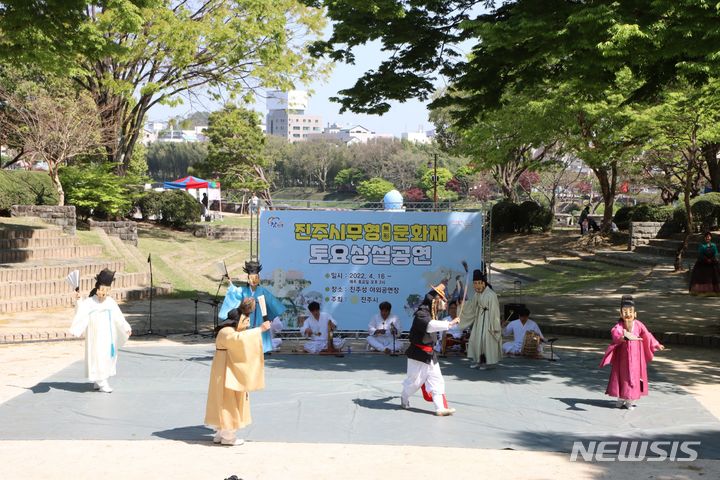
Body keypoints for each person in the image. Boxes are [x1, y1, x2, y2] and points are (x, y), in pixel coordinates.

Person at [205, 298, 272, 445]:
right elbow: (240, 339)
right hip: (226, 368)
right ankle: (228, 436)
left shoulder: (227, 331)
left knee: (221, 398)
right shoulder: (227, 332)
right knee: (228, 399)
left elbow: (241, 338)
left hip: (225, 366)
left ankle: (221, 432)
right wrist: (260, 329)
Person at [69, 269, 132, 393]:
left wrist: (126, 327)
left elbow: (118, 317)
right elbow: (81, 312)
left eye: (107, 290)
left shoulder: (110, 302)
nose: (104, 293)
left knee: (107, 356)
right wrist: (78, 300)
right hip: (95, 335)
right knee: (98, 356)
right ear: (98, 289)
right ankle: (102, 381)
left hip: (108, 334)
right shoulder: (90, 302)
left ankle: (99, 380)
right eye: (103, 289)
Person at [401, 283, 458, 416]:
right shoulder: (421, 314)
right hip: (418, 354)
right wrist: (449, 324)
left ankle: (440, 408)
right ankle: (404, 398)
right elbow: (430, 326)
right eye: (441, 300)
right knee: (414, 383)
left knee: (437, 380)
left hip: (430, 354)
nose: (443, 304)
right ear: (433, 302)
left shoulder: (431, 314)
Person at [600, 295, 664, 410]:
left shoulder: (639, 325)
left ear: (635, 314)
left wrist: (656, 344)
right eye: (625, 312)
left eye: (630, 311)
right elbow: (615, 333)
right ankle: (620, 398)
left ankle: (630, 400)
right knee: (622, 376)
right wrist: (621, 338)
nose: (628, 314)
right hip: (622, 358)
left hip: (636, 358)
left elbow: (647, 335)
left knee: (634, 377)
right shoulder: (619, 326)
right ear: (620, 314)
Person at [218, 260, 286, 354]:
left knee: (260, 331)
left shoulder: (262, 290)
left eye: (256, 277)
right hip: (247, 317)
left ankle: (261, 348)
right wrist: (230, 282)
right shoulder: (243, 290)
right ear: (248, 278)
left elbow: (272, 302)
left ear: (258, 278)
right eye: (251, 277)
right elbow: (234, 292)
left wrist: (270, 315)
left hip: (259, 316)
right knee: (247, 332)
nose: (253, 280)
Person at [458, 270, 502, 369]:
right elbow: (472, 306)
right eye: (475, 283)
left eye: (478, 283)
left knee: (485, 341)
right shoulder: (477, 294)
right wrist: (462, 305)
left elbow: (495, 311)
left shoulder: (491, 295)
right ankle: (477, 360)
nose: (476, 285)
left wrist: (495, 325)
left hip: (488, 321)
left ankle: (487, 362)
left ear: (483, 282)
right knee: (476, 339)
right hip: (479, 320)